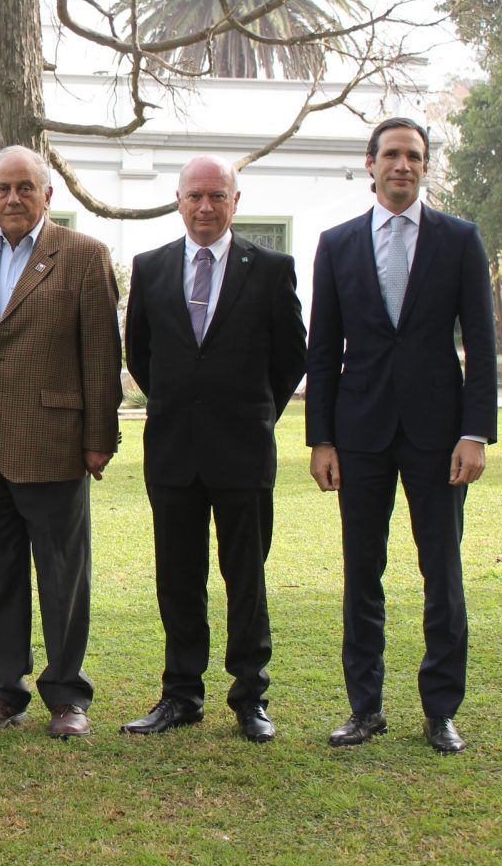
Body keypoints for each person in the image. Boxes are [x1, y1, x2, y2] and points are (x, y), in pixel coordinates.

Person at [307, 116, 497, 755]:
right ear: (370, 163)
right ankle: (365, 709)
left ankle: (440, 710)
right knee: (363, 570)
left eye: (414, 156)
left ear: (425, 166)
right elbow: (323, 348)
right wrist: (322, 439)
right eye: (391, 154)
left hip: (438, 436)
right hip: (359, 435)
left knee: (441, 572)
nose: (402, 165)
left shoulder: (460, 240)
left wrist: (475, 432)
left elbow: (482, 345)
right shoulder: (336, 244)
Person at [0, 144, 122, 738]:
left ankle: (67, 696)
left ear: (48, 195)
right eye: (2, 188)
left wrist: (98, 438)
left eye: (24, 187)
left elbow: (100, 354)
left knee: (63, 576)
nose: (13, 198)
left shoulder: (83, 256)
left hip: (54, 441)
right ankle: (2, 692)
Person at [122, 156, 306, 742]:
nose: (205, 207)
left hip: (243, 450)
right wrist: (184, 401)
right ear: (178, 200)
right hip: (174, 449)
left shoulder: (271, 269)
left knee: (245, 576)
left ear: (235, 201)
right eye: (195, 196)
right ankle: (181, 694)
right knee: (177, 578)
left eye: (217, 196)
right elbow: (140, 353)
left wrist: (254, 410)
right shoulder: (149, 269)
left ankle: (250, 697)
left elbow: (291, 356)